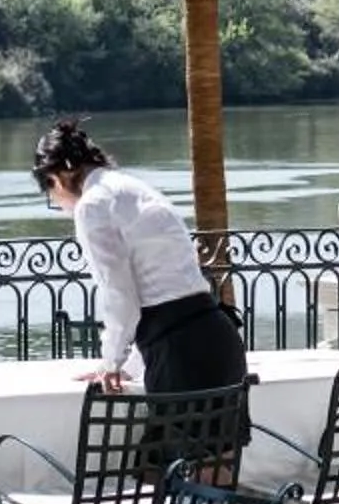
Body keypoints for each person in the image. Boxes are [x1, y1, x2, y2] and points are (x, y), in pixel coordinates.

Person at [32, 118, 247, 398]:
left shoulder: (93, 205)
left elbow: (120, 296)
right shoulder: (133, 188)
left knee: (174, 441)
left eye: (52, 196)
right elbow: (164, 298)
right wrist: (127, 367)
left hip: (179, 354)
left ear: (57, 178)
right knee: (220, 442)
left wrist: (110, 363)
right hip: (218, 337)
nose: (60, 206)